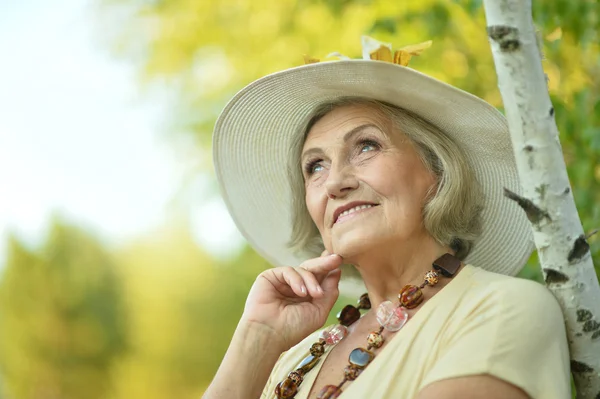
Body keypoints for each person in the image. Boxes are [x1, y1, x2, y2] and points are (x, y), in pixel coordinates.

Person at [205, 37, 570, 399]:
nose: (334, 182)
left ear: (437, 170)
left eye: (366, 146)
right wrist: (257, 339)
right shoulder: (295, 360)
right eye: (315, 166)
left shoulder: (503, 308)